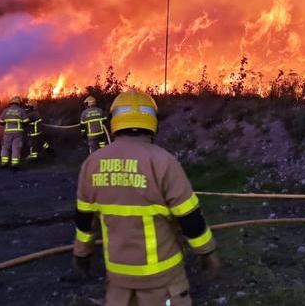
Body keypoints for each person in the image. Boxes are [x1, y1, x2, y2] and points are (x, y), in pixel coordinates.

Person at [72, 90, 220, 305]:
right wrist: (208, 253)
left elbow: (84, 221)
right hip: (162, 278)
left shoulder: (92, 163)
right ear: (152, 122)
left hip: (118, 279)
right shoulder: (163, 161)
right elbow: (189, 217)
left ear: (115, 121)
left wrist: (81, 255)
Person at [0, 96, 29, 169]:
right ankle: (14, 164)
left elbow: (0, 122)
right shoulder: (21, 110)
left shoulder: (6, 111)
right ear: (19, 103)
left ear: (11, 102)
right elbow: (26, 121)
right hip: (18, 133)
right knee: (16, 148)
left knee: (5, 147)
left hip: (7, 133)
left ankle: (4, 163)